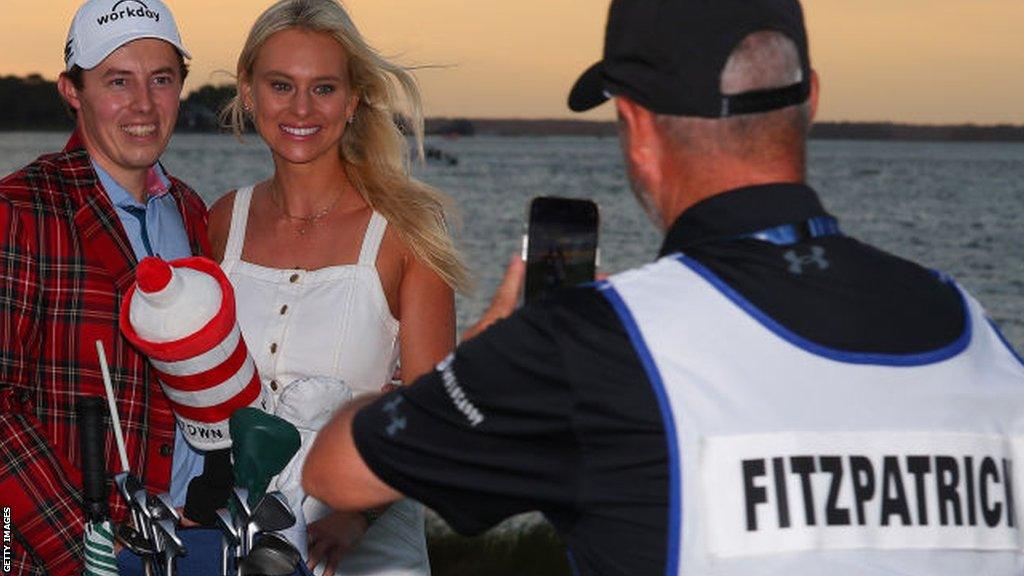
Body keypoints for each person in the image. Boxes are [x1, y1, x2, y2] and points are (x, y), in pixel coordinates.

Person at [302, 0, 1024, 574]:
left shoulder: (597, 341)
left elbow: (338, 469)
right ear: (810, 99)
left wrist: (475, 364)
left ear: (636, 126)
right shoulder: (974, 331)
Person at [206, 0, 470, 573]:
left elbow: (430, 414)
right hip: (241, 545)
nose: (301, 108)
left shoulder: (406, 229)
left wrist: (358, 515)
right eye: (281, 85)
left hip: (365, 547)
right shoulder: (223, 220)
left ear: (352, 101)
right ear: (249, 92)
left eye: (323, 88)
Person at [0, 0, 212, 573]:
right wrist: (89, 549)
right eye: (118, 81)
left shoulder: (193, 214)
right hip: (54, 553)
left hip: (188, 542)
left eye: (161, 79)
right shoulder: (20, 208)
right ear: (72, 90)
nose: (143, 104)